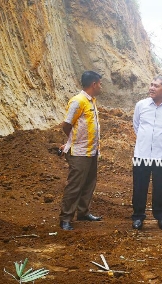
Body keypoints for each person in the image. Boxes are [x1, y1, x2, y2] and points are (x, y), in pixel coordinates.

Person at [132, 75, 162, 230]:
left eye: (156, 86)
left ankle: (161, 217)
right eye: (151, 84)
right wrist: (146, 140)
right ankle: (138, 217)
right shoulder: (141, 105)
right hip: (142, 154)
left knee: (161, 187)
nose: (151, 88)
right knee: (139, 187)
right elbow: (136, 125)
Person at [58, 71, 103, 231]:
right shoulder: (78, 101)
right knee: (75, 185)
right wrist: (72, 141)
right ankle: (65, 218)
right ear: (94, 84)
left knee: (89, 183)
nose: (100, 86)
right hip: (79, 152)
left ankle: (83, 212)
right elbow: (66, 125)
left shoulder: (91, 101)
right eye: (100, 84)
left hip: (91, 151)